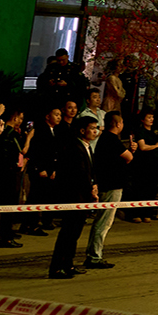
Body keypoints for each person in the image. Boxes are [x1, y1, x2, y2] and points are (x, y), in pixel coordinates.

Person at [48, 115, 101, 280]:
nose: (95, 131)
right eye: (92, 128)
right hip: (73, 196)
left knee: (75, 232)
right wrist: (90, 189)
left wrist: (94, 185)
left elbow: (90, 170)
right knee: (68, 232)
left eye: (96, 128)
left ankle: (68, 264)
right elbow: (79, 173)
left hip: (83, 196)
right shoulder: (74, 147)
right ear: (82, 130)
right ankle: (57, 267)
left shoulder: (86, 147)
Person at [84, 111, 133, 269]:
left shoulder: (104, 139)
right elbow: (128, 157)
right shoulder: (112, 140)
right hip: (112, 185)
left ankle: (93, 253)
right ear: (118, 124)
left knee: (102, 220)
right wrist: (131, 151)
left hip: (107, 183)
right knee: (104, 221)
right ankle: (94, 255)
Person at [0, 110, 30, 249]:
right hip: (6, 175)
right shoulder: (10, 134)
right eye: (20, 118)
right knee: (8, 208)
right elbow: (21, 151)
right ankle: (6, 238)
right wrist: (29, 138)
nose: (21, 121)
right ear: (14, 118)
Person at [22, 106, 64, 235]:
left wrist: (54, 170)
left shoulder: (55, 130)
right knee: (35, 198)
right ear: (47, 116)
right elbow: (36, 151)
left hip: (49, 170)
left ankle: (38, 222)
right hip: (39, 170)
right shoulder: (40, 130)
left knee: (44, 197)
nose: (59, 117)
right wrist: (40, 168)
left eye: (60, 115)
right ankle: (30, 225)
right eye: (56, 114)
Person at [123, 110, 158, 221]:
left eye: (152, 117)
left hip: (153, 164)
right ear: (143, 119)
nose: (151, 119)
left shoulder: (154, 131)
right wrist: (156, 146)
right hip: (142, 164)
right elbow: (143, 147)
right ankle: (135, 214)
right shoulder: (140, 131)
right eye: (149, 117)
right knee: (140, 188)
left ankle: (147, 213)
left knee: (151, 189)